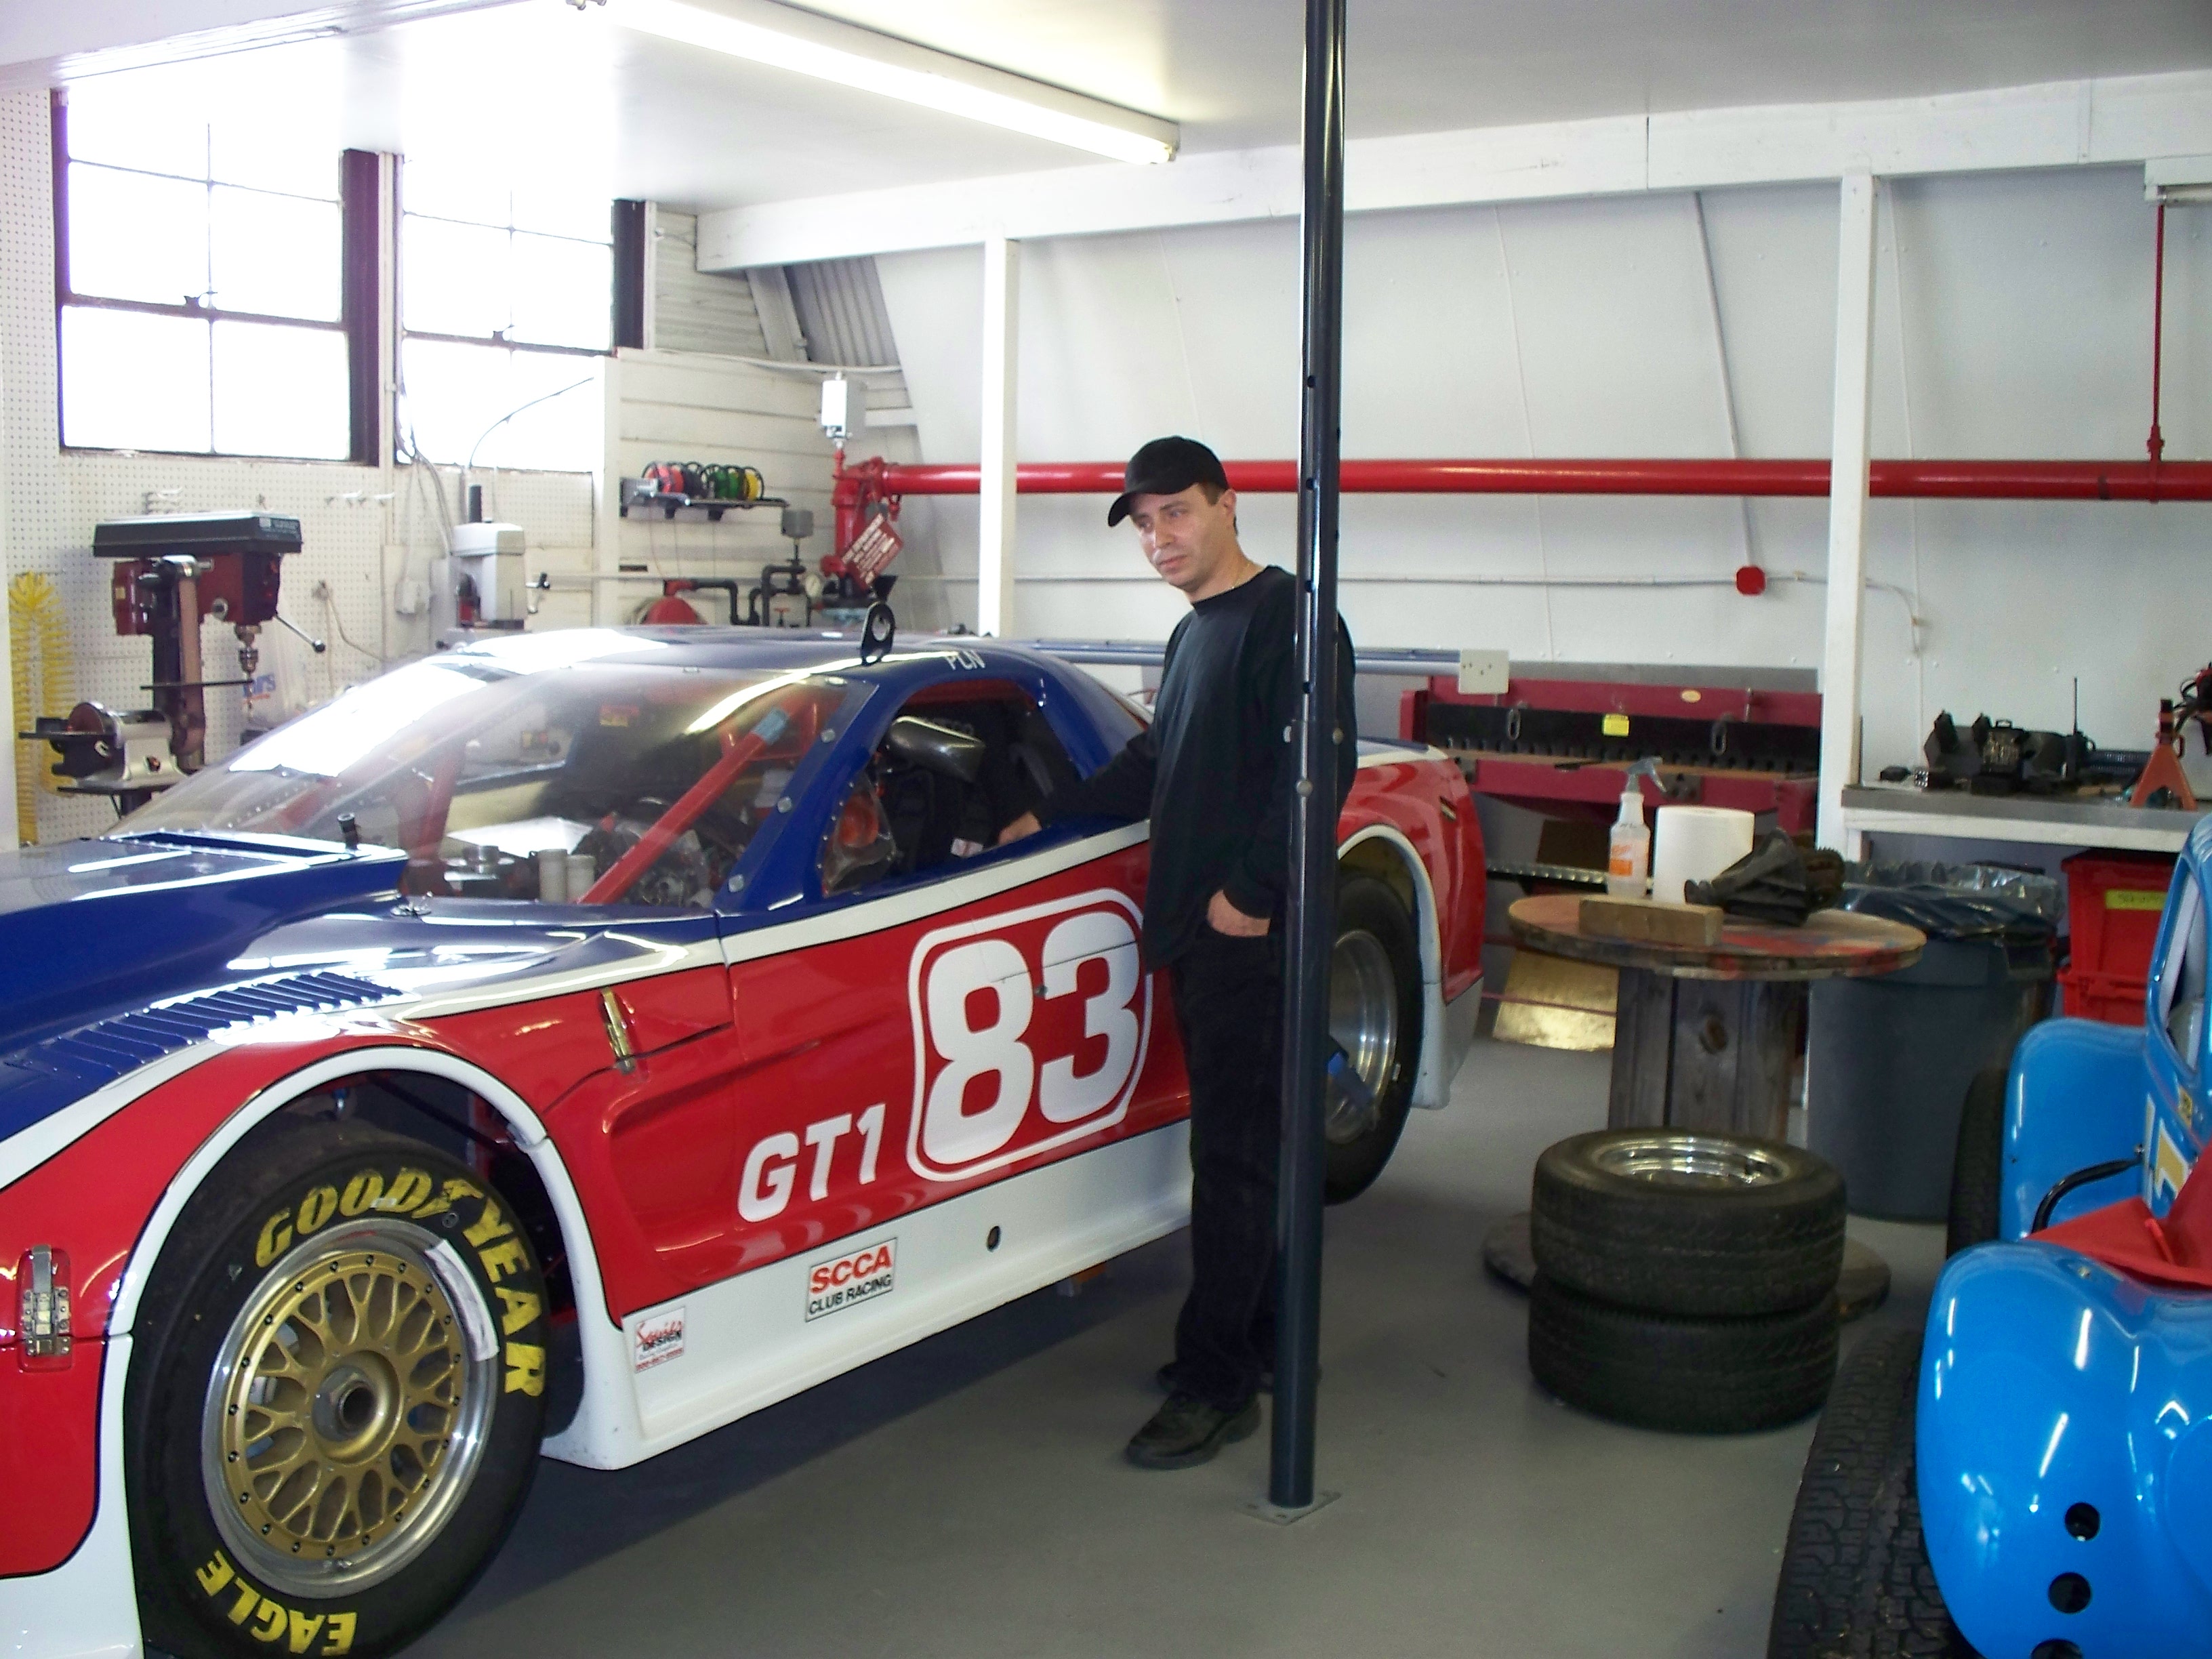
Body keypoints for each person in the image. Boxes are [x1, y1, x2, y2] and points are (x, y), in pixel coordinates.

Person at [999, 434, 1357, 1470]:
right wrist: (1050, 814)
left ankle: (1216, 1386)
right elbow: (1160, 757)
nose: (1161, 538)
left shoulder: (1289, 617)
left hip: (1246, 936)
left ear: (1227, 505)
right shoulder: (1198, 630)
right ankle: (1266, 1341)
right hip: (1204, 931)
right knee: (1252, 1149)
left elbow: (1316, 771)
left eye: (1177, 514)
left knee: (1235, 1163)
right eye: (1146, 523)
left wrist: (1250, 896)